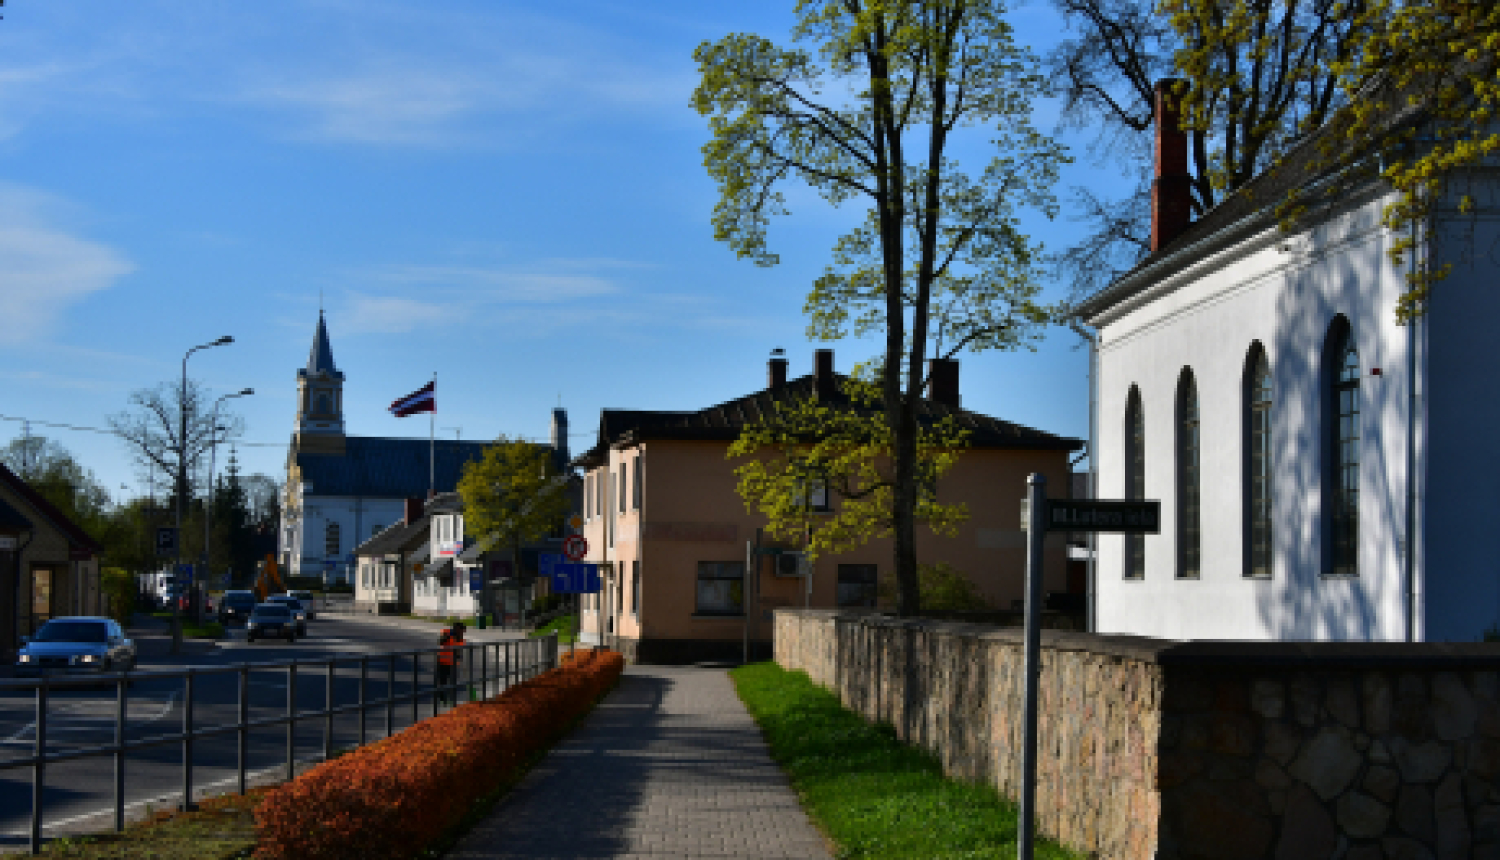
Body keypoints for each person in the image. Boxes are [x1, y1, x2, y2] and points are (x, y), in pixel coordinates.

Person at [436, 621, 466, 705]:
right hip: (442, 662)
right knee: (443, 681)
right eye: (462, 630)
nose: (463, 632)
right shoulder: (446, 633)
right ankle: (442, 698)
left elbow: (459, 650)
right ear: (457, 629)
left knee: (453, 682)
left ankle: (451, 699)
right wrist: (448, 636)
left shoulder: (461, 639)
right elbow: (440, 642)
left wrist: (459, 656)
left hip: (453, 664)